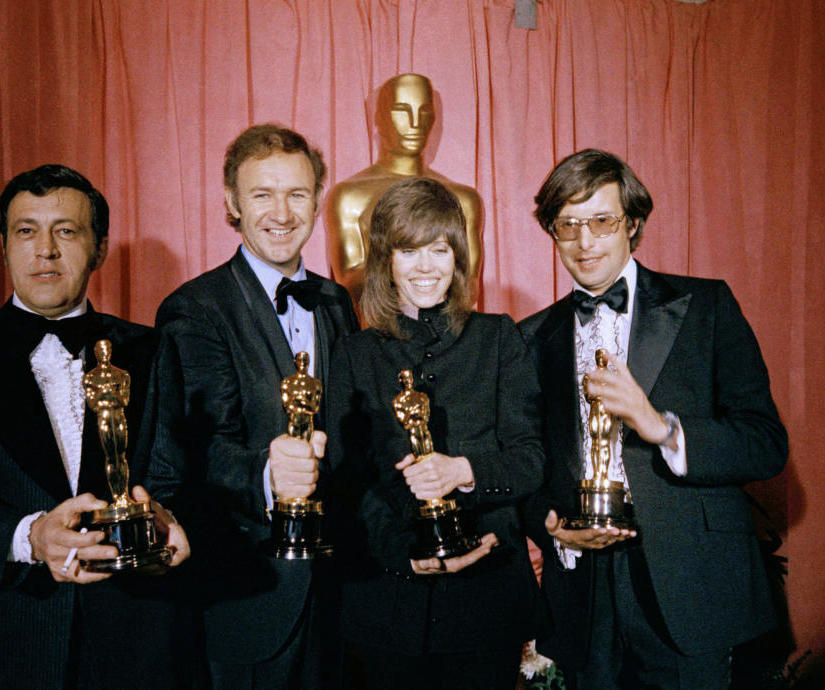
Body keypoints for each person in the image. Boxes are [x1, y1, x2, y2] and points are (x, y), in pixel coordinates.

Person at [0, 164, 190, 688]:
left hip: (132, 646)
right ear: (5, 245)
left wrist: (168, 523)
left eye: (66, 230)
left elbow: (175, 477)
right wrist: (28, 537)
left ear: (99, 248)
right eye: (26, 230)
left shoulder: (152, 349)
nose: (45, 250)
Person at [519, 149, 788, 688]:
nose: (585, 241)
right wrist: (550, 526)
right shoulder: (529, 337)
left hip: (691, 586)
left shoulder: (707, 307)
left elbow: (765, 444)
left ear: (633, 223)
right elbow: (526, 463)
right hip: (584, 595)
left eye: (602, 221)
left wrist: (660, 426)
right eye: (567, 225)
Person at [144, 124, 359, 689]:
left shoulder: (337, 301)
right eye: (263, 195)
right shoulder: (195, 309)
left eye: (298, 193)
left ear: (318, 199)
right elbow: (194, 448)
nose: (282, 213)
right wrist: (270, 477)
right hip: (250, 597)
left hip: (342, 592)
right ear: (232, 205)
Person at [327, 177, 547, 689]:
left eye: (439, 249)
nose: (426, 267)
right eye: (408, 251)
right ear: (385, 261)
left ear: (459, 256)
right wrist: (403, 552)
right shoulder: (354, 354)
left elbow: (531, 458)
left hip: (486, 601)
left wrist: (464, 471)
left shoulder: (498, 338)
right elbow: (344, 479)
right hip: (387, 604)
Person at [326, 73, 483, 304]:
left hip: (448, 333)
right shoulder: (349, 196)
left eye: (425, 111)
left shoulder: (464, 199)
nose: (415, 122)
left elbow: (469, 287)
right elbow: (349, 285)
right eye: (401, 110)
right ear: (379, 118)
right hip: (378, 332)